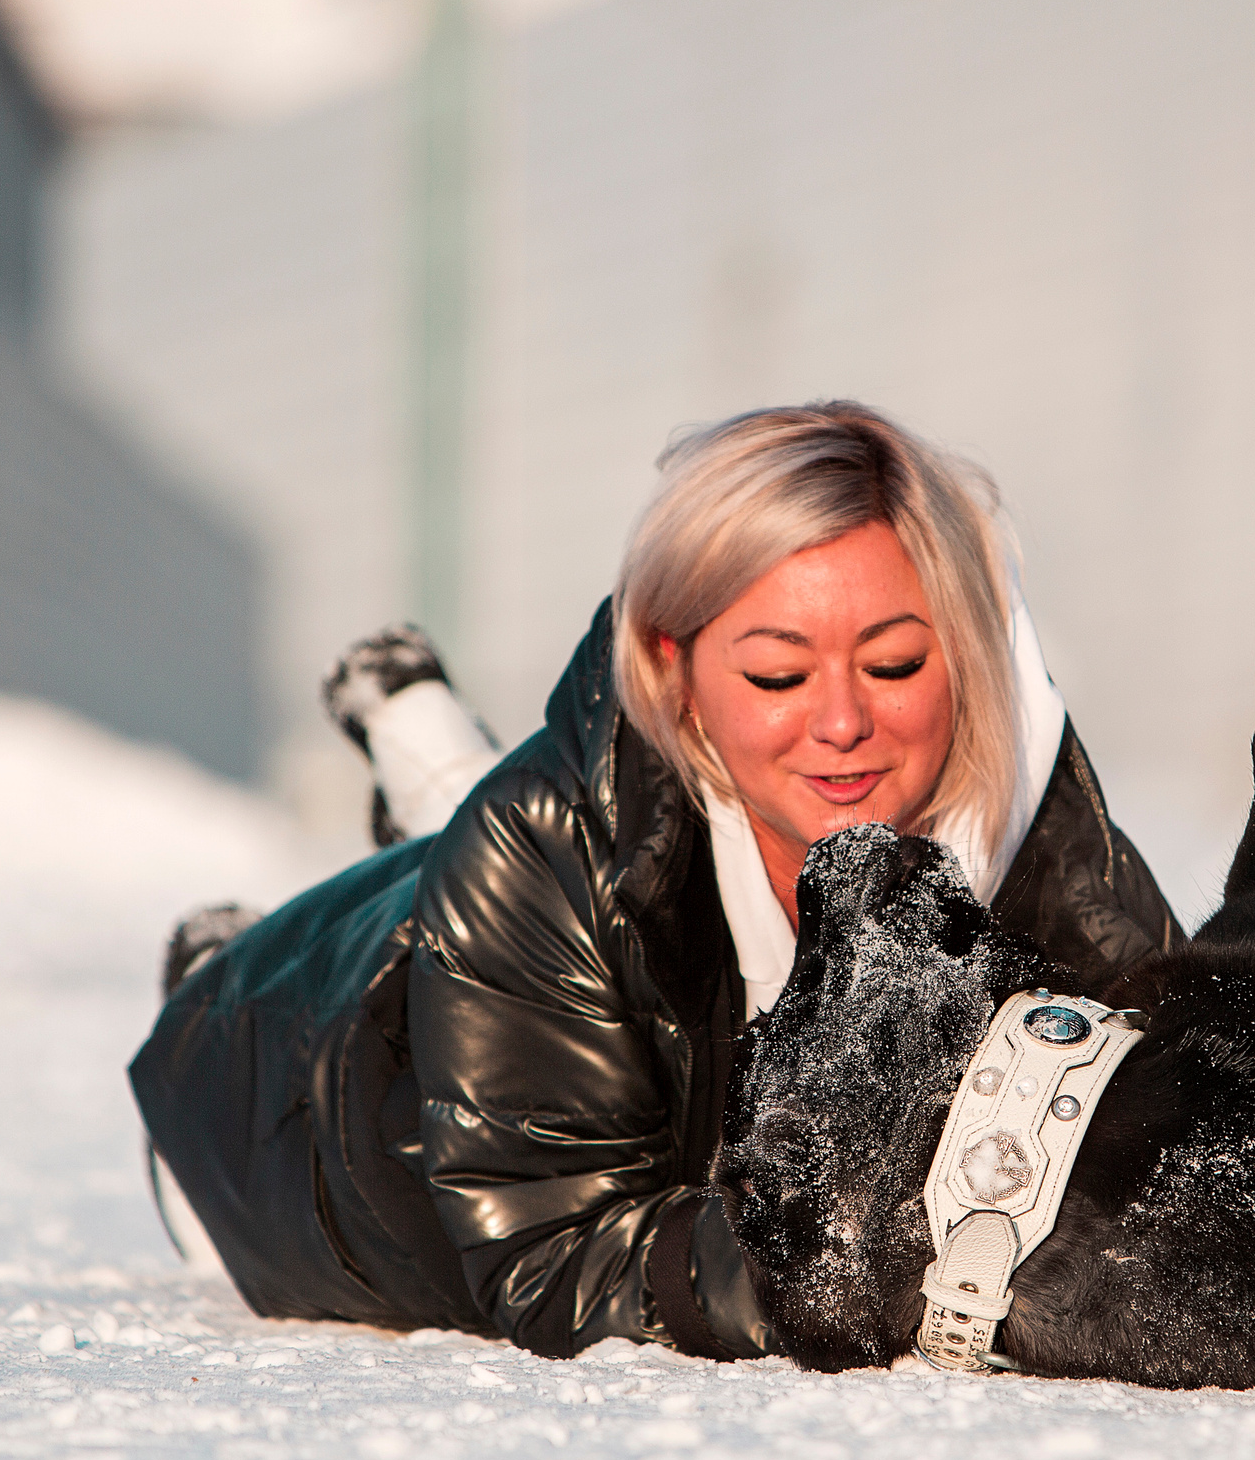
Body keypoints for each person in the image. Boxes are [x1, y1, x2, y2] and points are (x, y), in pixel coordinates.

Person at [131, 403, 1184, 1360]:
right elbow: (555, 1253)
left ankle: (428, 754)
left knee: (507, 846)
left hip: (526, 899)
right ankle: (251, 933)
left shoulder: (1037, 817)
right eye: (777, 675)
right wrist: (839, 1263)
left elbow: (1190, 1113)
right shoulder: (537, 851)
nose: (844, 723)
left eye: (897, 663)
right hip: (297, 1096)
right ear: (673, 671)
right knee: (492, 860)